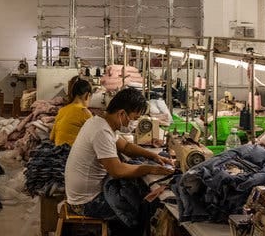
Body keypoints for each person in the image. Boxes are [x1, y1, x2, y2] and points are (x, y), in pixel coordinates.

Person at [64, 88, 173, 231]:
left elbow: (126, 147)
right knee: (145, 209)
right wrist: (151, 168)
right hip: (86, 203)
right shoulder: (101, 131)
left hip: (84, 194)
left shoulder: (100, 122)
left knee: (139, 190)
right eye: (134, 118)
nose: (134, 122)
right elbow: (117, 170)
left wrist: (153, 156)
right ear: (122, 114)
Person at [50, 78, 93, 146]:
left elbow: (52, 137)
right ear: (87, 96)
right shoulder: (84, 112)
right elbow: (96, 137)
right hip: (72, 152)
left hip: (58, 150)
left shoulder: (62, 110)